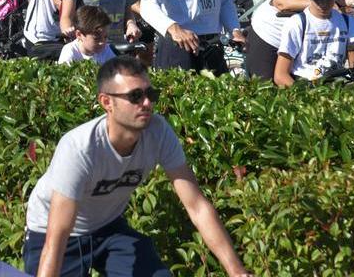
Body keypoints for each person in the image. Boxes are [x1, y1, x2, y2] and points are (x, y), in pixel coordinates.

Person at [23, 57, 252, 277]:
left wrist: (237, 272)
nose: (147, 103)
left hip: (107, 226)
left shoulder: (158, 132)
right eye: (135, 96)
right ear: (106, 102)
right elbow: (57, 235)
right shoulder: (80, 148)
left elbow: (197, 207)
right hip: (52, 232)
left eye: (150, 94)